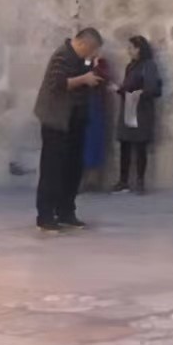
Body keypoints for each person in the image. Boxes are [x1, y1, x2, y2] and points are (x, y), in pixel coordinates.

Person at [33, 28, 103, 232]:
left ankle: (66, 212)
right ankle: (45, 216)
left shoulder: (82, 59)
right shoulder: (62, 55)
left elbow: (84, 79)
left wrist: (91, 72)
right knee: (52, 169)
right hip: (56, 121)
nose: (92, 54)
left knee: (73, 169)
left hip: (75, 121)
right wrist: (84, 79)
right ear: (82, 44)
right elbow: (57, 83)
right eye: (91, 50)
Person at [112, 35, 161, 194]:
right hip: (129, 108)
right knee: (125, 145)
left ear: (139, 49)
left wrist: (137, 93)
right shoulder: (131, 66)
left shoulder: (149, 66)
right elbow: (128, 86)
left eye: (131, 48)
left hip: (141, 111)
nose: (129, 51)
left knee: (140, 146)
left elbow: (153, 89)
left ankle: (140, 182)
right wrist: (121, 90)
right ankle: (123, 181)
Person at [79, 53, 114, 193]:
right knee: (80, 145)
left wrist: (95, 67)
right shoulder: (78, 61)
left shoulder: (101, 63)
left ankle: (93, 181)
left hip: (95, 106)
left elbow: (104, 78)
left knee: (94, 145)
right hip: (81, 106)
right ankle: (80, 181)